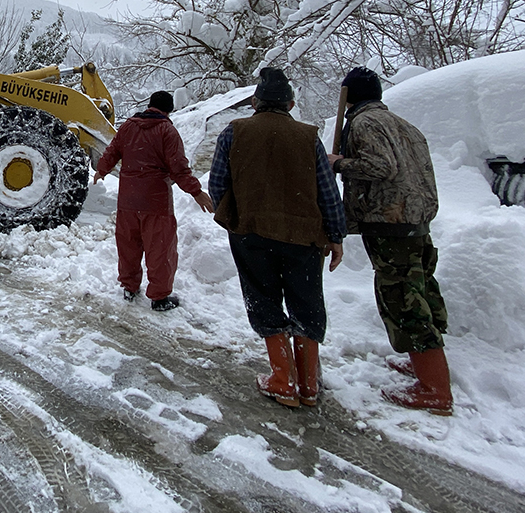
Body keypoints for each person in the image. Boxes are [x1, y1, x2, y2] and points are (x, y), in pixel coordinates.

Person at [207, 67, 346, 408]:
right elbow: (327, 191)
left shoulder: (234, 131)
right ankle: (309, 385)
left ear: (255, 102)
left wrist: (233, 216)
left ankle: (283, 380)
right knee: (307, 303)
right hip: (303, 236)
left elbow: (217, 183)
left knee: (263, 299)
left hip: (251, 232)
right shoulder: (308, 137)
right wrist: (336, 235)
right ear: (291, 103)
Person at [327, 67, 453, 415]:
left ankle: (434, 389)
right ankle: (424, 365)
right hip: (416, 219)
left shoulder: (366, 124)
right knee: (422, 288)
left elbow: (382, 167)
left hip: (390, 222)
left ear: (349, 96)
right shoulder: (403, 124)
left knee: (403, 299)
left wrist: (338, 164)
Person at [94, 90, 215, 311]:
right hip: (156, 201)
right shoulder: (167, 131)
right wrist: (196, 192)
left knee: (128, 244)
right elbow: (179, 169)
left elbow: (112, 151)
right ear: (168, 110)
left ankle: (130, 287)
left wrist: (101, 170)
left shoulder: (128, 127)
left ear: (149, 106)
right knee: (160, 249)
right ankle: (159, 298)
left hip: (128, 199)